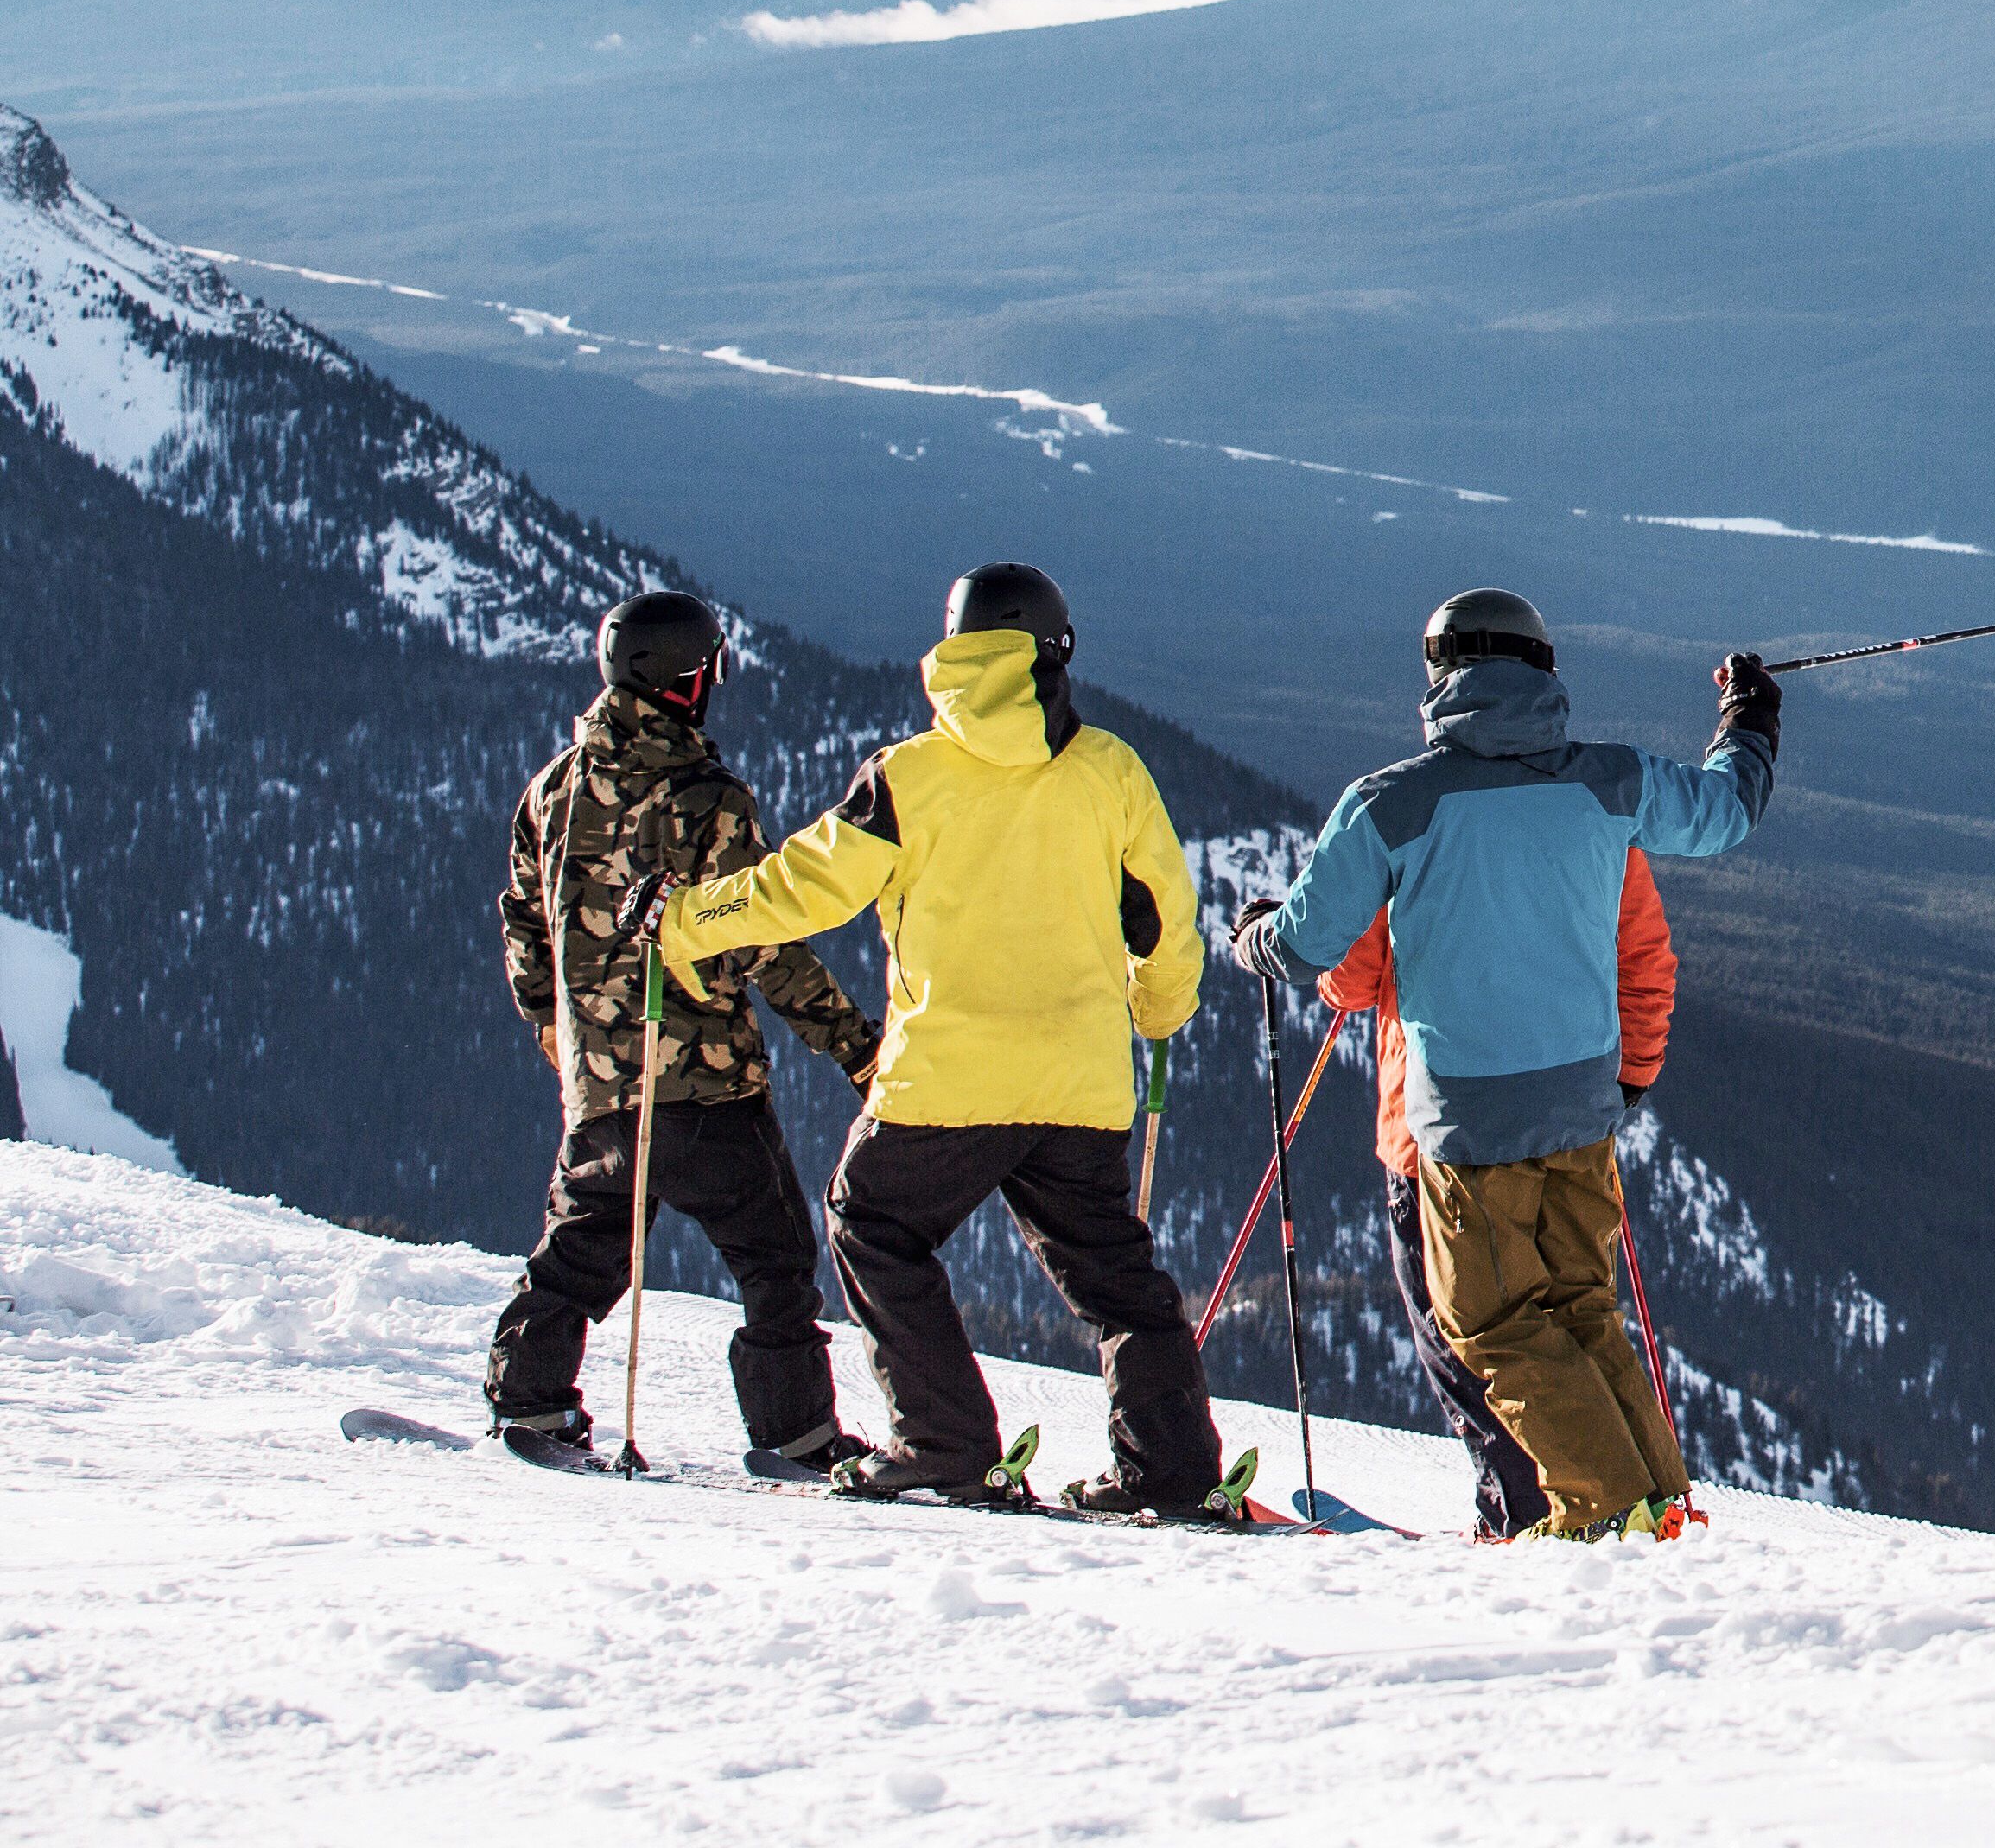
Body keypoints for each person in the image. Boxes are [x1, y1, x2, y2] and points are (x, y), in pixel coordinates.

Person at [658, 561, 1230, 1519]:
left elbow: (799, 889)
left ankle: (944, 1441)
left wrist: (684, 920)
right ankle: (1172, 1471)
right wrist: (1159, 1012)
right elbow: (1167, 922)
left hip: (947, 1083)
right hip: (1080, 1085)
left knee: (873, 1227)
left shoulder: (909, 777)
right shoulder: (1111, 770)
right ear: (1057, 653)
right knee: (1116, 1278)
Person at [1233, 586, 1776, 1540]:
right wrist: (1748, 717)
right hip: (1582, 1106)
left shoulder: (1391, 802)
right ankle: (1655, 1508)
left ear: (1440, 678)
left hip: (1467, 1123)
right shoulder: (1606, 784)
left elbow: (1316, 948)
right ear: (1544, 671)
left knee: (1491, 1324)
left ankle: (1601, 1513)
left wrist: (1253, 942)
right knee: (1580, 1310)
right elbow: (1728, 809)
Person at [487, 588, 880, 1470]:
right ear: (684, 682)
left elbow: (523, 914)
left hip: (599, 1082)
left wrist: (548, 1019)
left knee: (583, 1249)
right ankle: (795, 1433)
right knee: (773, 1260)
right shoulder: (708, 798)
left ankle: (529, 1402)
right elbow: (762, 943)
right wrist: (854, 1043)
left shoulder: (551, 788)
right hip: (704, 1083)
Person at [1315, 846, 1681, 1540]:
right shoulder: (1593, 809)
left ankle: (1540, 1520)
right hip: (1573, 1125)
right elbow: (1644, 960)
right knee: (1579, 1314)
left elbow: (1352, 975)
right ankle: (1650, 1507)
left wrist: (1287, 935)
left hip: (1443, 1130)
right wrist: (1627, 1079)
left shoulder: (1410, 810)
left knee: (1474, 1338)